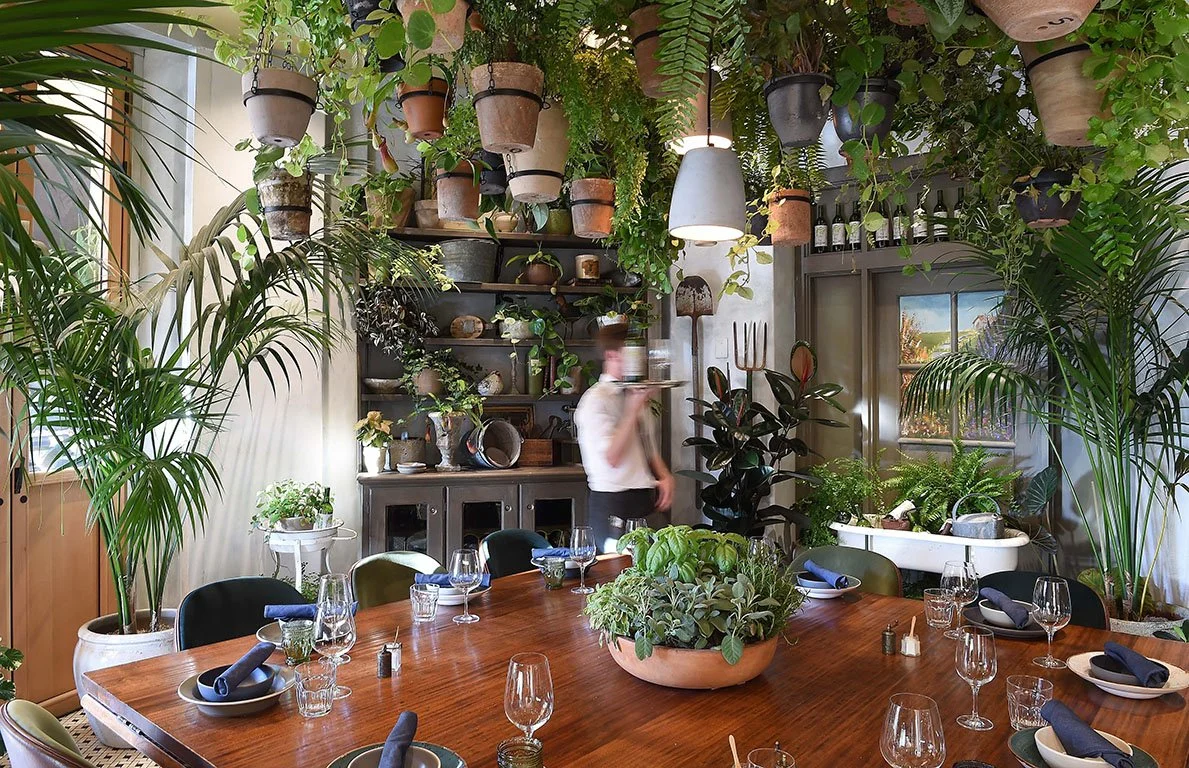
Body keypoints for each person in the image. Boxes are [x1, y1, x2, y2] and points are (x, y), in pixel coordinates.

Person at [574, 324, 674, 551]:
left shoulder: (633, 392)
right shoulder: (595, 400)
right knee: (620, 581)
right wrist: (631, 410)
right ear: (612, 355)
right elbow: (612, 457)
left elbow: (646, 445)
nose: (642, 362)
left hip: (646, 503)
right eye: (634, 354)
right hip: (613, 508)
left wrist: (665, 475)